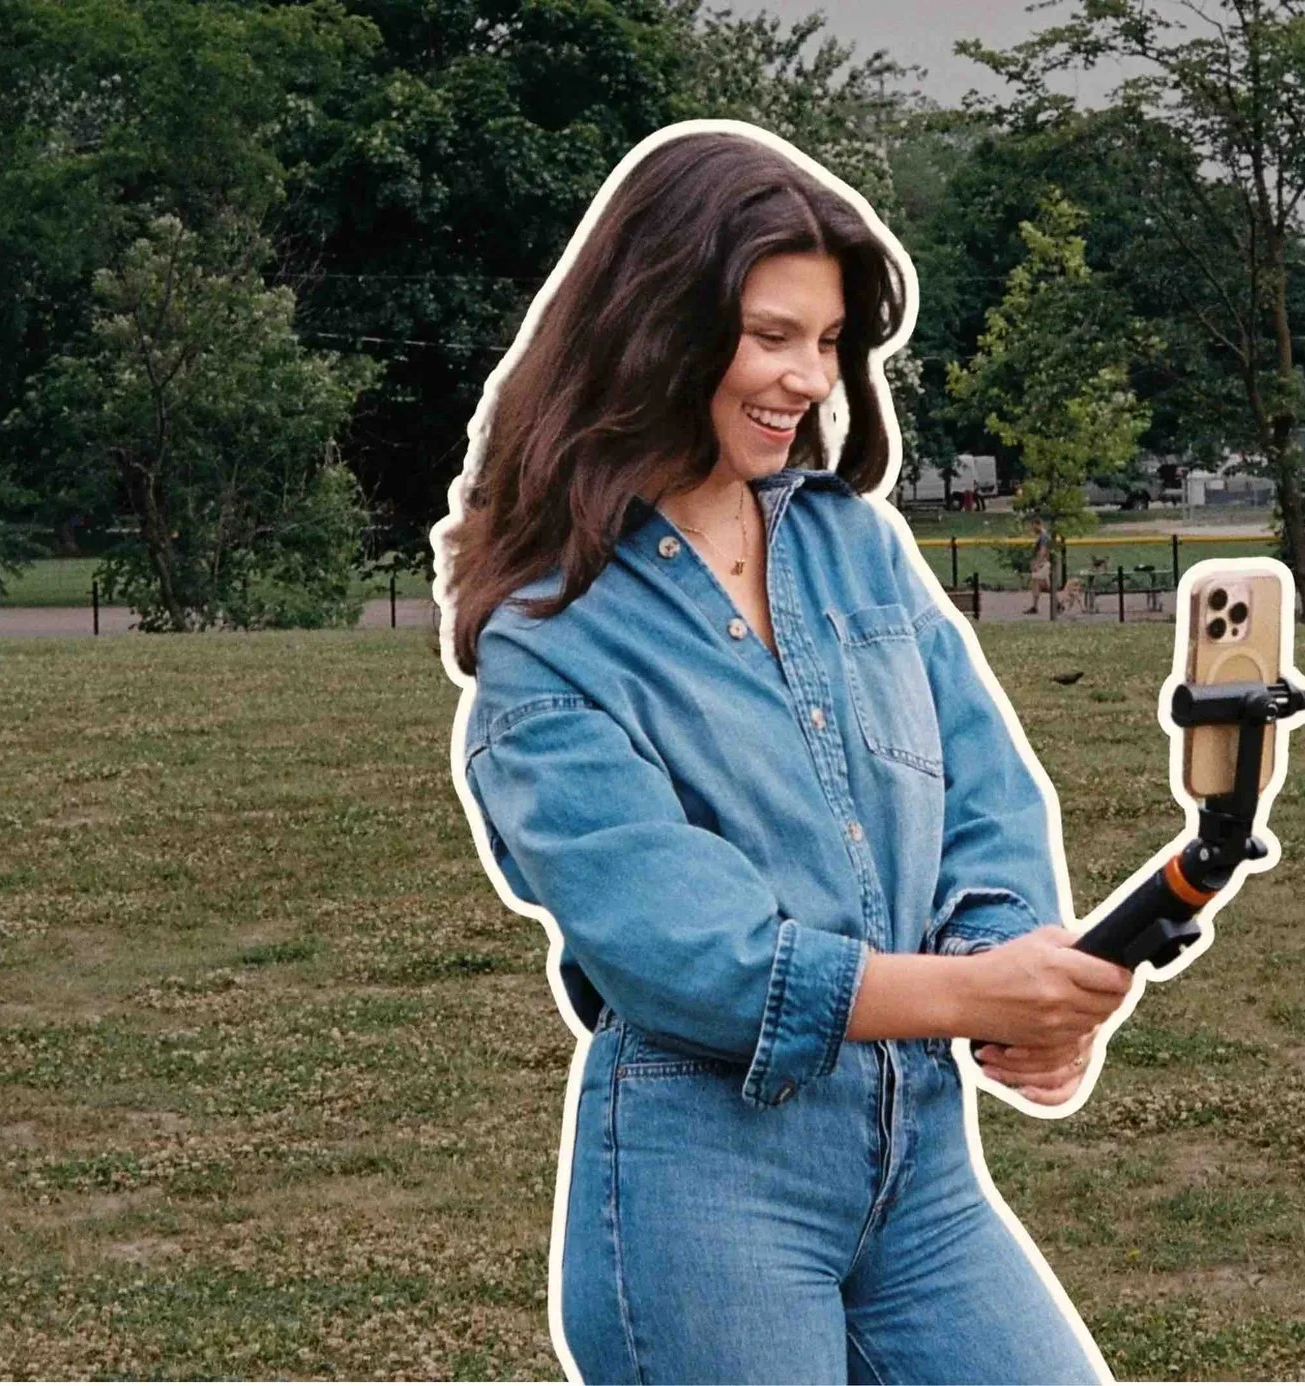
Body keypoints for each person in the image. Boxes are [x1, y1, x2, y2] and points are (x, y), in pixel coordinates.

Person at [436, 128, 1133, 1385]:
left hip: (915, 1161)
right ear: (658, 326)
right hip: (704, 1188)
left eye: (825, 342)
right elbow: (695, 955)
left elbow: (980, 788)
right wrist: (975, 996)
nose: (808, 376)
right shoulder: (548, 640)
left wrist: (1013, 977)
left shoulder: (849, 544)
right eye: (771, 336)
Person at [1026, 514, 1056, 615]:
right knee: (1039, 584)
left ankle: (1056, 604)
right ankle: (1035, 606)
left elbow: (1043, 551)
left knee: (1042, 584)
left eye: (1033, 526)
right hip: (1043, 563)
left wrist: (1037, 563)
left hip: (1043, 564)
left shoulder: (1043, 536)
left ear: (1037, 524)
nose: (1032, 528)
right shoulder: (1043, 535)